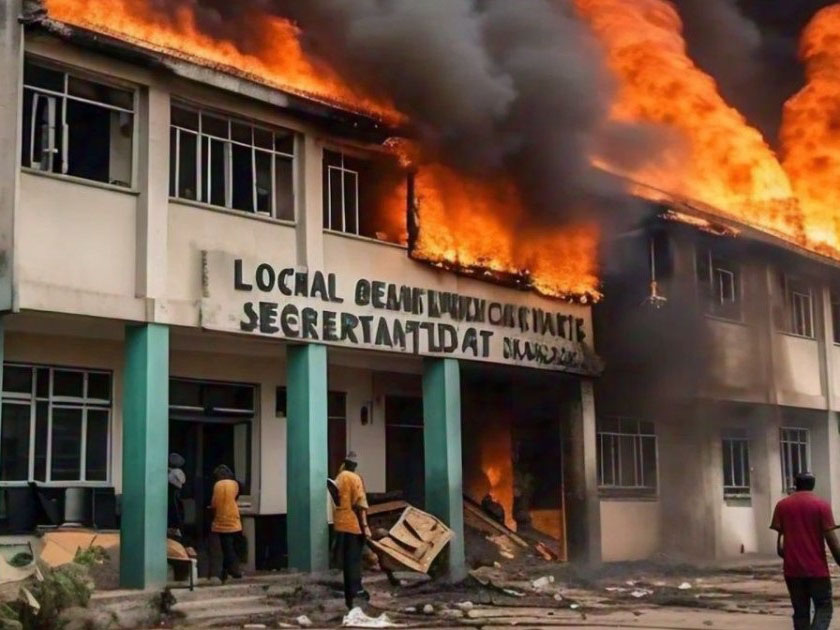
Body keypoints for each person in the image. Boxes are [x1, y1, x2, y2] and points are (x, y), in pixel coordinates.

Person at [771, 471, 840, 630]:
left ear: (796, 484)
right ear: (813, 485)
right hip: (817, 571)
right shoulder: (821, 505)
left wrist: (791, 555)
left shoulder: (782, 505)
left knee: (800, 612)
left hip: (792, 571)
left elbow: (780, 547)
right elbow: (832, 541)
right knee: (824, 608)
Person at [333, 451, 371, 610]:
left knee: (346, 563)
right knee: (354, 562)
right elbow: (360, 504)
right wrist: (366, 527)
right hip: (353, 525)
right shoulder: (354, 478)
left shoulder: (339, 477)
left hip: (339, 524)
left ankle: (349, 598)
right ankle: (356, 592)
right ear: (355, 465)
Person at [210, 464, 242, 581]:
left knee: (225, 547)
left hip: (221, 519)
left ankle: (230, 570)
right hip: (234, 518)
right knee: (232, 546)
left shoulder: (217, 485)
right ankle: (230, 569)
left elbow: (214, 502)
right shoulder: (235, 484)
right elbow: (235, 497)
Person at [167, 453, 186, 539]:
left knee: (175, 511)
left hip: (174, 493)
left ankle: (175, 529)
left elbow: (181, 481)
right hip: (174, 492)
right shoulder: (174, 471)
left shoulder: (176, 472)